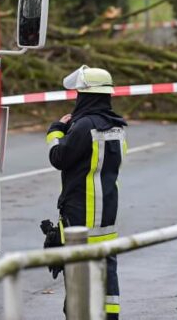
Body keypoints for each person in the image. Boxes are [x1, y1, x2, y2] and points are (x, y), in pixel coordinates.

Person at [47, 65, 127, 319]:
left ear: (87, 96)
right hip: (106, 218)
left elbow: (59, 157)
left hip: (81, 217)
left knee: (79, 276)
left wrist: (56, 131)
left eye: (79, 94)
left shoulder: (84, 127)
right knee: (107, 275)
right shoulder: (117, 127)